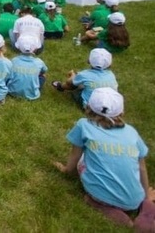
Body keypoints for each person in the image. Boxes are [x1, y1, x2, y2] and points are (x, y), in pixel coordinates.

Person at [54, 88, 155, 229]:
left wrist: (66, 170)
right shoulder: (132, 132)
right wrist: (144, 195)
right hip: (135, 199)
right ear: (122, 112)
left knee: (83, 159)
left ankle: (102, 206)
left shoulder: (84, 125)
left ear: (88, 107)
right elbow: (142, 167)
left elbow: (75, 156)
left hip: (100, 196)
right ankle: (146, 206)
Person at [51, 48, 118, 109]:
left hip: (89, 107)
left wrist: (72, 75)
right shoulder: (111, 74)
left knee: (76, 87)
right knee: (85, 84)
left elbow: (70, 82)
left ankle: (61, 87)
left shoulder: (84, 74)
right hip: (110, 105)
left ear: (89, 60)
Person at [7, 35, 47, 101]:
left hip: (12, 92)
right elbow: (44, 71)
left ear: (19, 47)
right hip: (32, 95)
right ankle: (33, 88)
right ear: (35, 49)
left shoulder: (14, 60)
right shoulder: (39, 62)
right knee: (43, 76)